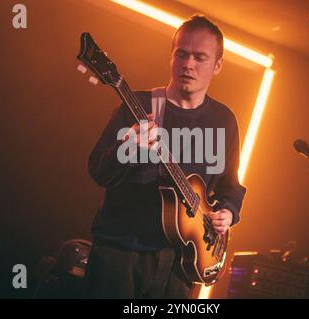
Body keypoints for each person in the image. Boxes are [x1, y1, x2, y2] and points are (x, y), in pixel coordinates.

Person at [85, 14, 246, 299]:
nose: (188, 64)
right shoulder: (140, 106)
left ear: (218, 65)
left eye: (200, 57)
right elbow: (98, 170)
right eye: (181, 54)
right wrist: (129, 149)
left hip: (180, 262)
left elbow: (230, 186)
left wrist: (227, 213)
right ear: (171, 56)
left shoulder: (224, 121)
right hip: (120, 253)